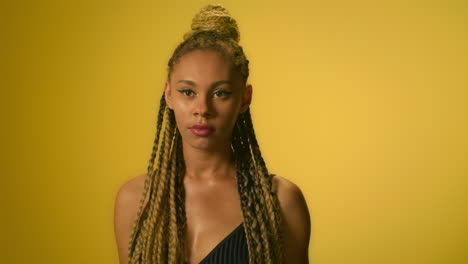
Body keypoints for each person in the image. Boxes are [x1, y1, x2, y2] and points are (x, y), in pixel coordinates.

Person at [114, 4, 311, 264]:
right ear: (169, 94)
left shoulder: (281, 202)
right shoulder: (135, 200)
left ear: (244, 98)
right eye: (188, 92)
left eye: (220, 93)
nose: (202, 110)